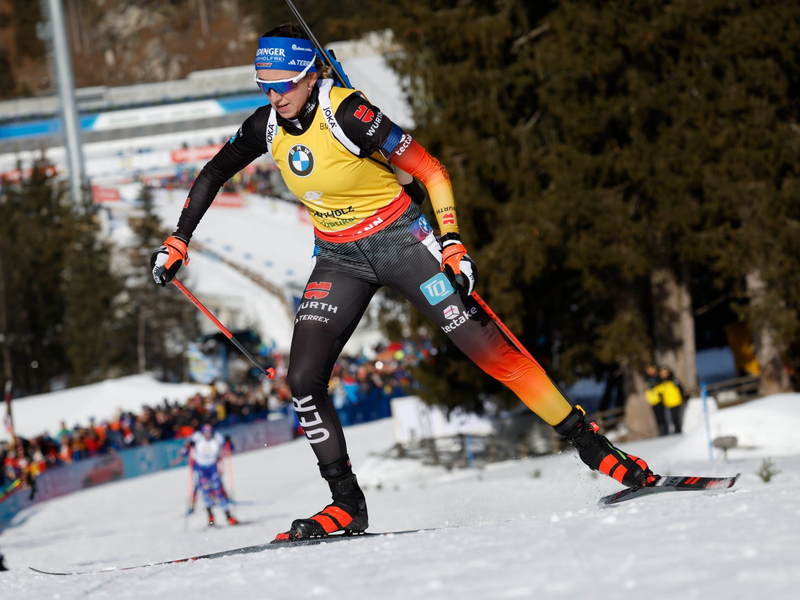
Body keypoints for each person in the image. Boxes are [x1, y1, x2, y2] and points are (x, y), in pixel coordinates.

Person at [151, 24, 656, 541]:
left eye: (283, 83)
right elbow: (213, 172)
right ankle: (345, 504)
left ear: (309, 75)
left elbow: (431, 171)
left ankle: (595, 447)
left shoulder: (348, 112)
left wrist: (454, 242)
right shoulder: (266, 126)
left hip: (402, 241)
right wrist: (179, 239)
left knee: (488, 351)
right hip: (338, 257)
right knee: (302, 379)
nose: (274, 95)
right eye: (265, 85)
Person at [175, 424, 237, 526]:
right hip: (201, 469)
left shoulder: (217, 437)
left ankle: (229, 517)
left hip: (213, 468)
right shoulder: (197, 437)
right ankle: (210, 517)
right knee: (205, 492)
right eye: (206, 432)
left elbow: (229, 448)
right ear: (202, 432)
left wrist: (229, 442)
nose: (208, 435)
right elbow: (184, 450)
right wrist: (187, 447)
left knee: (218, 492)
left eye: (209, 432)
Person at [658, 366, 686, 434]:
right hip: (668, 403)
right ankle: (675, 430)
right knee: (672, 418)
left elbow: (681, 389)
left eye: (665, 373)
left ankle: (679, 430)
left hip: (677, 401)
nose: (664, 375)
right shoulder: (661, 383)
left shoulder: (673, 381)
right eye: (662, 373)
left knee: (678, 417)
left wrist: (683, 397)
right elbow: (659, 393)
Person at [644, 364, 669, 436]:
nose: (649, 372)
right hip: (653, 401)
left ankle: (665, 432)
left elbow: (662, 388)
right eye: (648, 371)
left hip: (659, 400)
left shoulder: (658, 378)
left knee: (663, 417)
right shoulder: (648, 379)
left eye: (651, 370)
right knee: (658, 418)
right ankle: (661, 432)